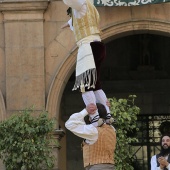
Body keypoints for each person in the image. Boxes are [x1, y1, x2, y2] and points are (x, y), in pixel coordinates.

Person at [62, 0, 113, 126]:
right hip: (98, 46)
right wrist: (68, 23)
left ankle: (95, 117)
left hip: (88, 47)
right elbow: (77, 21)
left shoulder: (81, 4)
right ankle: (107, 115)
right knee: (95, 84)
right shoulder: (91, 7)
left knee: (85, 85)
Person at [65, 103, 116, 170]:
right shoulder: (112, 129)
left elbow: (70, 124)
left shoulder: (94, 131)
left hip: (97, 167)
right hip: (110, 166)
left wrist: (85, 111)